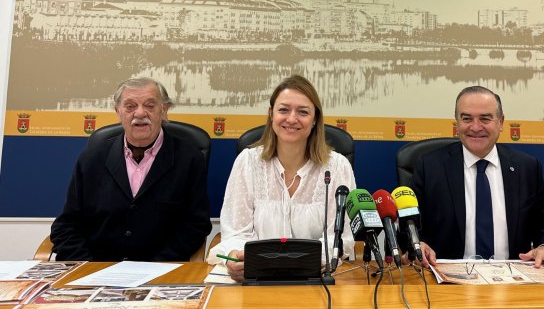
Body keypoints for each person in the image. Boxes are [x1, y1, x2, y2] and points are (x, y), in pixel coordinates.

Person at [208, 75, 356, 282]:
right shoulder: (248, 162)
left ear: (315, 119)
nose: (292, 119)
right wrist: (235, 258)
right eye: (283, 110)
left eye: (303, 112)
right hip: (256, 280)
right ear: (271, 114)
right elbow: (236, 232)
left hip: (317, 281)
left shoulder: (337, 167)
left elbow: (340, 237)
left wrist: (299, 265)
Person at [50, 77, 211, 261]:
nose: (140, 113)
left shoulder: (189, 159)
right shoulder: (91, 159)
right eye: (130, 106)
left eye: (150, 105)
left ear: (164, 110)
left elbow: (195, 225)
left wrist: (157, 267)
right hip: (96, 268)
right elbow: (67, 224)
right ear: (118, 111)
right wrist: (87, 267)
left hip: (160, 271)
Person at [410, 86, 544, 269]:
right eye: (466, 118)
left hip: (512, 278)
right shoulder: (430, 166)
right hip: (448, 277)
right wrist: (417, 245)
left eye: (485, 118)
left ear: (501, 122)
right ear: (457, 123)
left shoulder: (527, 167)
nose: (475, 127)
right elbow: (411, 226)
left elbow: (543, 222)